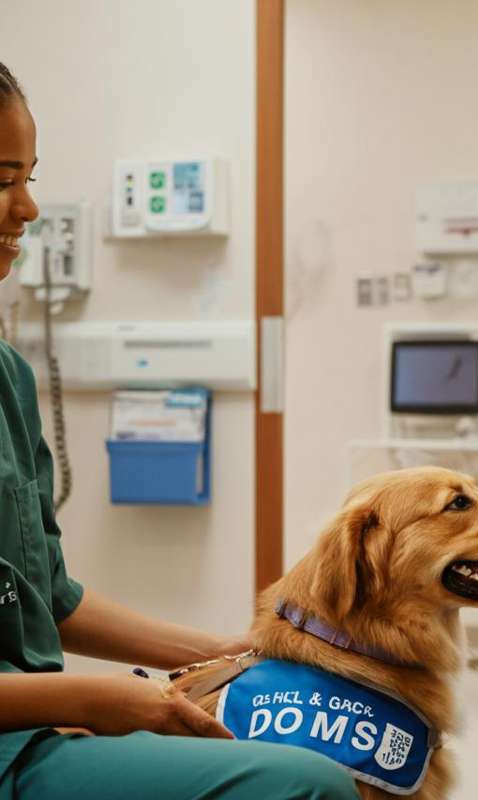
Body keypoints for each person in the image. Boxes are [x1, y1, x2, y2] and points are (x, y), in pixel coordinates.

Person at [0, 63, 358, 799]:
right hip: (17, 743)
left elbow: (49, 597)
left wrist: (235, 650)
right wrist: (93, 701)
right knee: (308, 788)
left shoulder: (8, 373)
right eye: (3, 180)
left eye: (31, 177)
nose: (30, 208)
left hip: (32, 724)